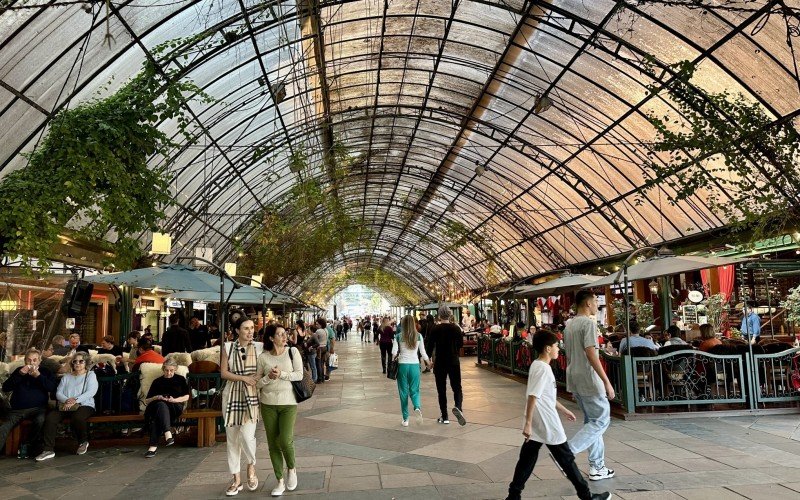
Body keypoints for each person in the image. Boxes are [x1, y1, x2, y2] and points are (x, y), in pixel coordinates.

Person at [507, 330, 612, 500]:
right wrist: (527, 422)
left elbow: (545, 395)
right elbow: (533, 395)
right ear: (548, 348)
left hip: (538, 419)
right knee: (567, 460)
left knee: (527, 458)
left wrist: (564, 410)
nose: (558, 349)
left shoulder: (537, 365)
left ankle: (513, 495)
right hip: (546, 421)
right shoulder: (543, 369)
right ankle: (587, 496)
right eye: (556, 346)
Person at [564, 290, 615, 481]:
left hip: (575, 377)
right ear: (587, 303)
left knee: (591, 422)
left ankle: (597, 466)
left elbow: (569, 354)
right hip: (588, 378)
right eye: (595, 301)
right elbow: (591, 353)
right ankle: (566, 453)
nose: (597, 304)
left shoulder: (569, 325)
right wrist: (606, 381)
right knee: (601, 420)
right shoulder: (588, 323)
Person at [257, 326, 303, 496]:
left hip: (289, 402)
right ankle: (279, 480)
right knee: (272, 443)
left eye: (285, 334)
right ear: (271, 338)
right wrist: (269, 377)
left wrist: (282, 374)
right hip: (268, 403)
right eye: (280, 334)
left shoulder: (292, 352)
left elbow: (299, 375)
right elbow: (257, 383)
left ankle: (291, 468)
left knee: (285, 439)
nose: (285, 336)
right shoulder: (263, 357)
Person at [220, 315, 262, 496]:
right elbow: (223, 372)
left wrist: (255, 379)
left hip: (251, 396)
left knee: (247, 436)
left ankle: (251, 466)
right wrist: (243, 378)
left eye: (252, 328)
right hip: (231, 396)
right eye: (246, 328)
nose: (250, 331)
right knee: (232, 439)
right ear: (237, 330)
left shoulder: (260, 348)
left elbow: (263, 370)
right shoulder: (228, 347)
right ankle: (236, 479)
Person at [36, 351, 99, 461]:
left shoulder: (91, 375)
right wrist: (67, 401)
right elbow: (59, 393)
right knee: (51, 418)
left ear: (86, 363)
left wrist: (75, 401)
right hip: (65, 405)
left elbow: (91, 392)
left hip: (85, 404)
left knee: (78, 418)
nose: (77, 363)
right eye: (75, 361)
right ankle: (48, 449)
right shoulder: (67, 377)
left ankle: (83, 442)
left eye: (81, 361)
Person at [0, 348, 58, 458]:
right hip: (17, 410)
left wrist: (38, 376)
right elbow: (6, 388)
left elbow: (52, 388)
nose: (32, 363)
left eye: (35, 360)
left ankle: (28, 445)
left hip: (38, 408)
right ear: (25, 361)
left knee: (40, 420)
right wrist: (20, 374)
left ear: (39, 361)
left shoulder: (45, 372)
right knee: (4, 427)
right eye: (29, 360)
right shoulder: (19, 371)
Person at [142, 358, 190, 457]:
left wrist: (174, 400)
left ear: (175, 369)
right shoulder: (157, 381)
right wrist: (157, 397)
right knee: (160, 404)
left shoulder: (180, 379)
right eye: (166, 370)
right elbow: (147, 401)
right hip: (157, 405)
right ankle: (168, 433)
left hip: (174, 406)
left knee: (158, 416)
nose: (168, 373)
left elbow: (187, 396)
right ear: (163, 369)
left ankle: (153, 447)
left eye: (171, 370)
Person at [429, 305, 466, 426]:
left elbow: (429, 346)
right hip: (453, 361)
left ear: (439, 315)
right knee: (457, 387)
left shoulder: (435, 329)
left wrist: (428, 360)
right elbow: (461, 344)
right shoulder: (455, 328)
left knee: (441, 389)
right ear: (450, 315)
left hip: (440, 362)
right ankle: (458, 407)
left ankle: (444, 417)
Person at [392, 315, 430, 426]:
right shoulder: (419, 336)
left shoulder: (398, 336)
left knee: (403, 392)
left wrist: (394, 358)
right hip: (414, 366)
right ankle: (417, 407)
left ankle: (405, 419)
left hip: (402, 365)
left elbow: (394, 352)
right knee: (415, 390)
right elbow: (423, 353)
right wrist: (429, 363)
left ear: (403, 324)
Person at [313, 319, 328, 383]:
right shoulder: (326, 330)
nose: (316, 325)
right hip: (325, 347)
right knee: (322, 364)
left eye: (317, 324)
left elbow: (315, 340)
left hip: (320, 348)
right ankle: (322, 378)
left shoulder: (318, 331)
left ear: (320, 324)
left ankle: (319, 379)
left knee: (318, 364)